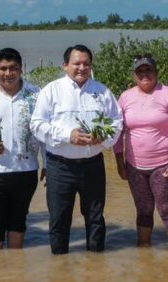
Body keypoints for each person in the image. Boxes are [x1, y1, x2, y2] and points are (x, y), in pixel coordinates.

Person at [30, 45, 123, 255]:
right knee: (59, 219)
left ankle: (96, 268)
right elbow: (36, 125)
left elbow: (117, 122)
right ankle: (60, 268)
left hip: (93, 165)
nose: (82, 67)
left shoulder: (102, 91)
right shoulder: (51, 90)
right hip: (60, 167)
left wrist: (104, 138)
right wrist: (67, 136)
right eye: (77, 63)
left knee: (96, 218)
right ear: (65, 65)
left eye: (86, 64)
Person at [0, 48, 45, 251]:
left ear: (21, 70)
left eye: (13, 68)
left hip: (26, 170)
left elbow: (44, 133)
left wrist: (46, 163)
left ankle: (14, 269)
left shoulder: (36, 94)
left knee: (18, 221)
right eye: (3, 68)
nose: (8, 73)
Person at [114, 54, 168, 247]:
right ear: (134, 75)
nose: (144, 74)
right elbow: (117, 132)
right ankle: (144, 252)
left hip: (164, 165)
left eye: (148, 70)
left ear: (156, 72)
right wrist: (120, 163)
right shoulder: (125, 97)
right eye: (140, 71)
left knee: (167, 210)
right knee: (143, 209)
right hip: (134, 166)